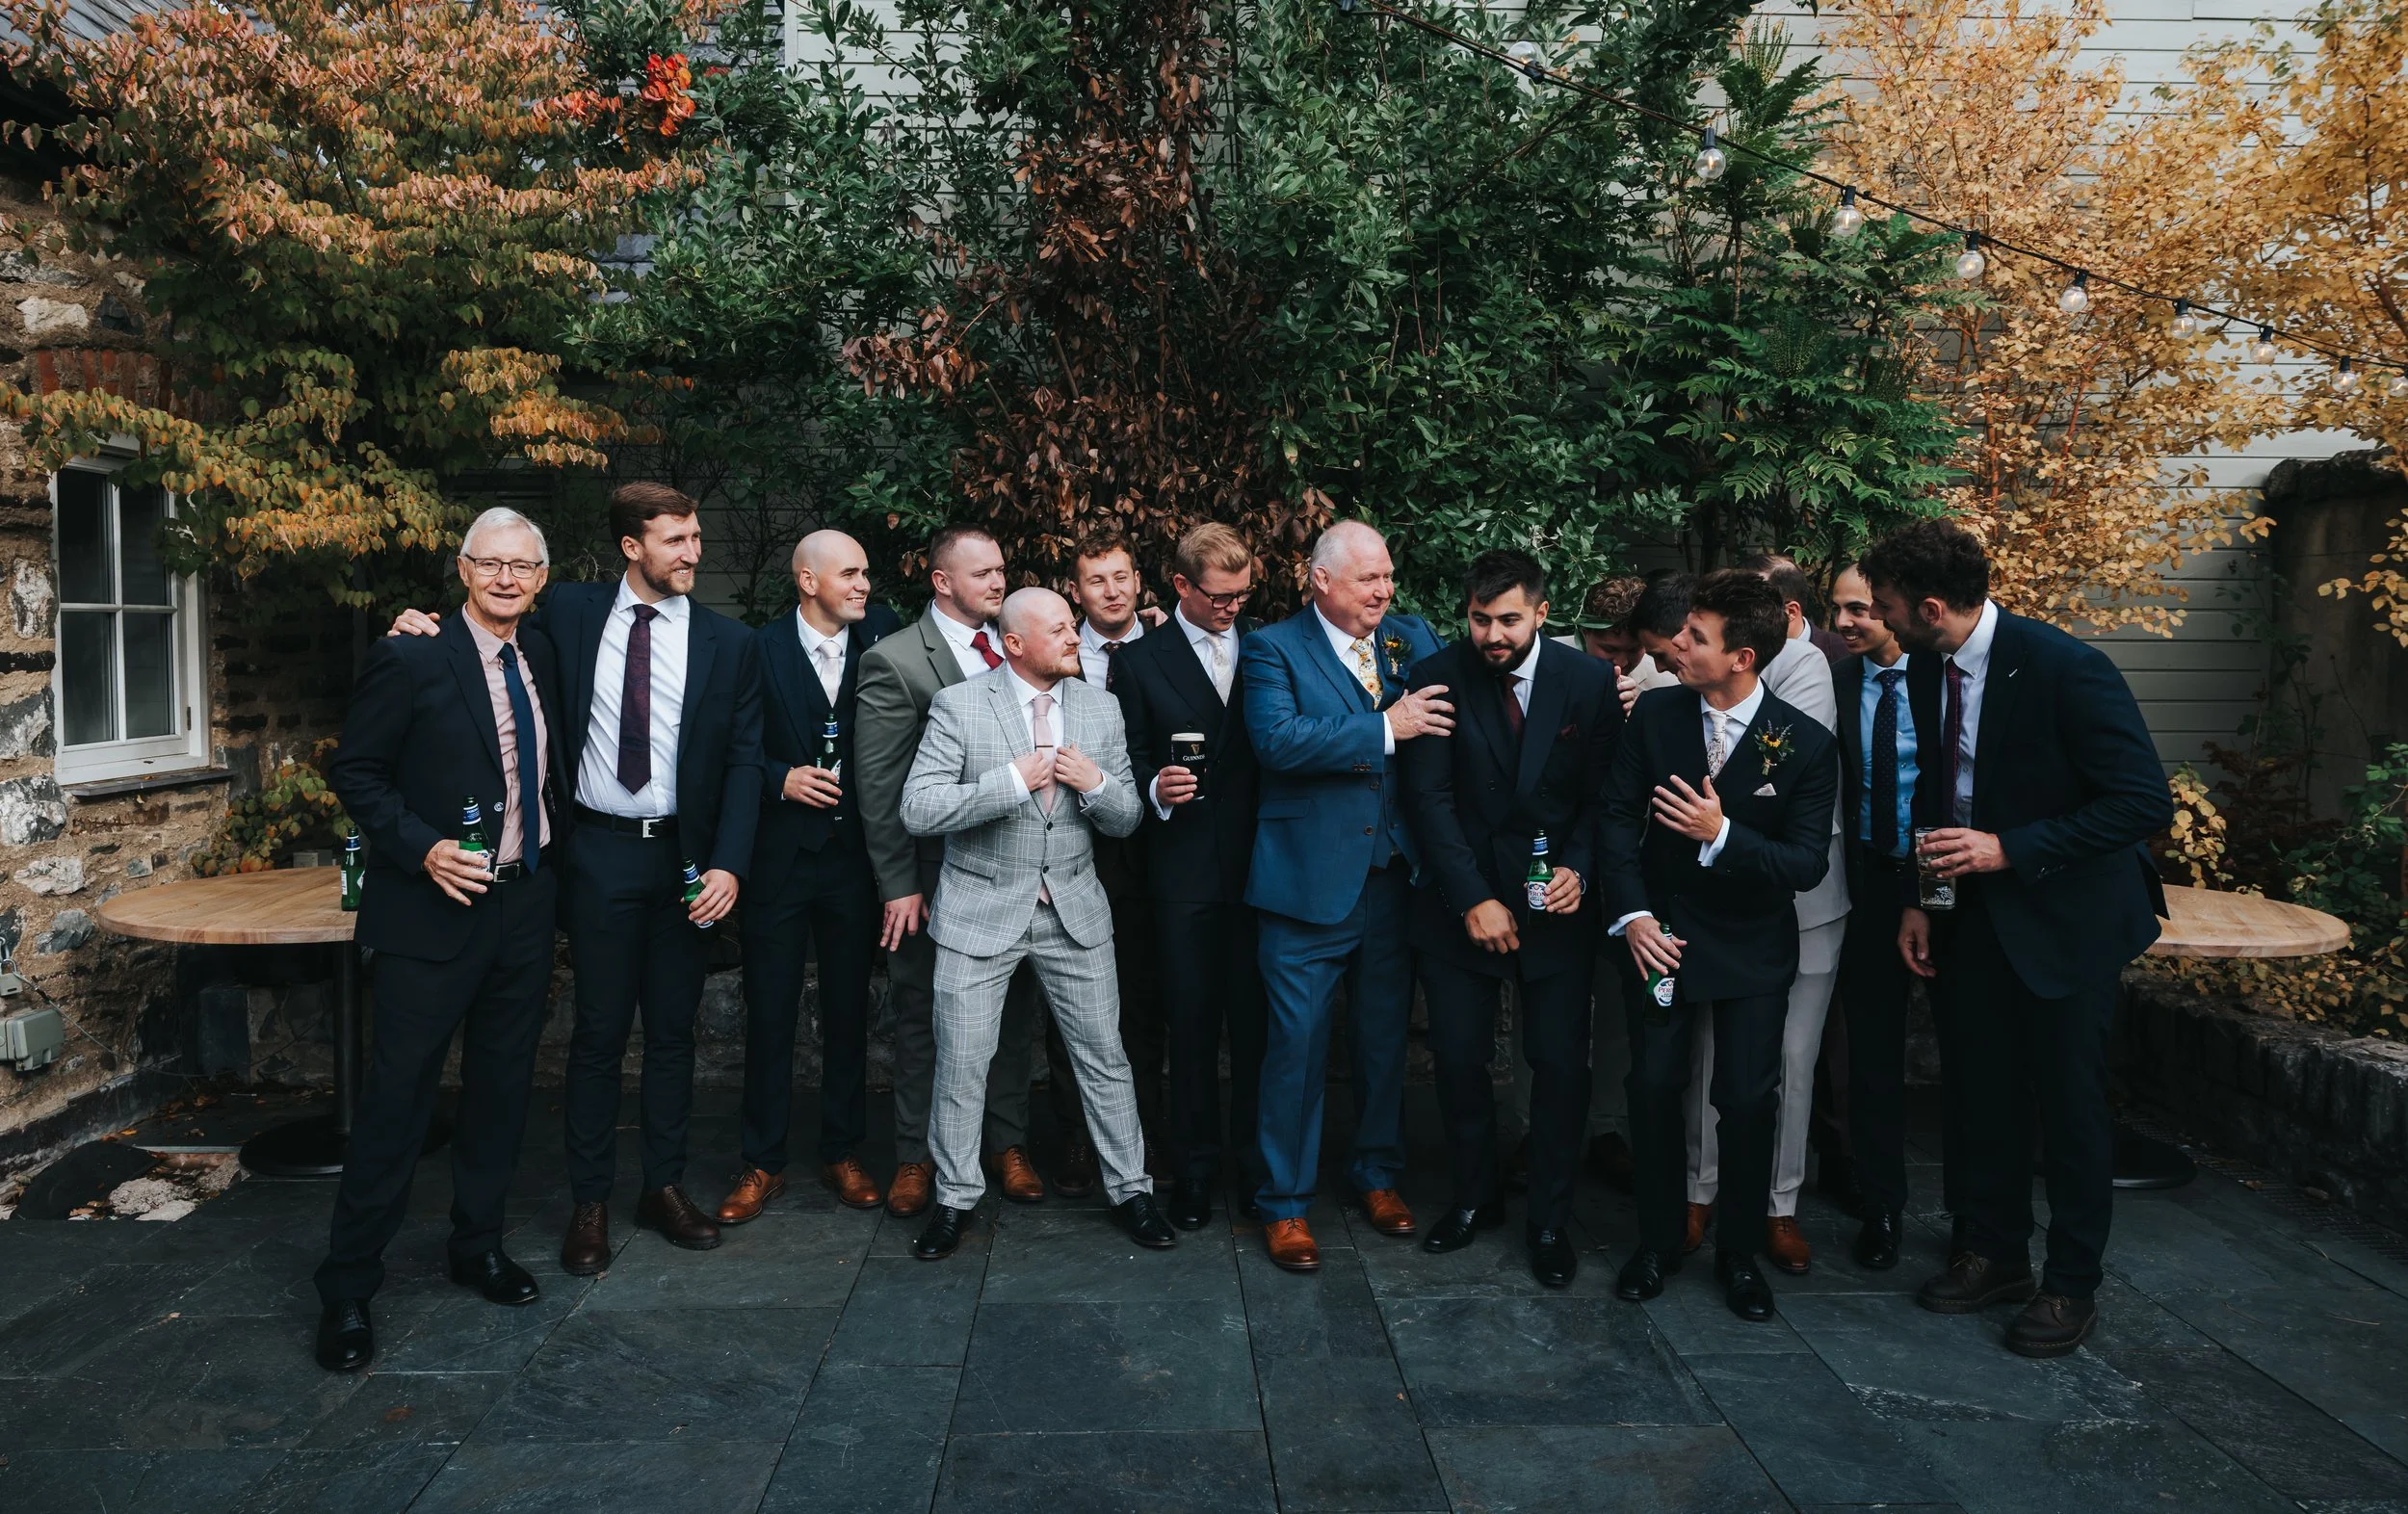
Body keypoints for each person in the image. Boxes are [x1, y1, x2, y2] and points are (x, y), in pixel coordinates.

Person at [387, 484, 766, 1269]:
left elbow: (743, 761)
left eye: (696, 537)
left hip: (688, 866)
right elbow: (484, 615)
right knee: (596, 1035)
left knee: (671, 1033)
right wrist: (411, 622)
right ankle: (588, 1202)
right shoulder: (571, 615)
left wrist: (729, 861)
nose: (693, 552)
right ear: (632, 546)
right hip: (596, 852)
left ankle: (661, 1186)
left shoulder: (732, 644)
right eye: (675, 540)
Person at [1864, 520, 2172, 1358]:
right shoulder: (1926, 665)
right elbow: (1935, 788)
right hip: (1968, 923)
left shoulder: (2069, 669)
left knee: (2069, 1112)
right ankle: (1994, 1252)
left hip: (2067, 924)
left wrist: (2011, 849)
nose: (1881, 622)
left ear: (1930, 607)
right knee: (1980, 1094)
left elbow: (2143, 804)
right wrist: (1922, 900)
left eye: (1888, 609)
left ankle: (2072, 1286)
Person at [315, 509, 567, 1372]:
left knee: (500, 1090)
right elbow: (355, 770)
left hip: (523, 905)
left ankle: (478, 1246)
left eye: (521, 566)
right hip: (431, 912)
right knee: (399, 1100)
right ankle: (348, 1287)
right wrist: (421, 847)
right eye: (489, 564)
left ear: (541, 577)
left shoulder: (543, 654)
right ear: (462, 570)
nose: (505, 578)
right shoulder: (411, 653)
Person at [899, 587, 1172, 1258]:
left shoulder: (1099, 708)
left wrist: (1099, 785)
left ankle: (1132, 1190)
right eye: (1059, 631)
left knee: (1105, 1060)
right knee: (963, 1064)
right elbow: (919, 808)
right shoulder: (960, 707)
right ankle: (955, 1199)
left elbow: (1128, 817)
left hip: (1075, 911)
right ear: (1016, 644)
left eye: (1071, 630)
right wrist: (1010, 783)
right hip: (979, 912)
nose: (1075, 639)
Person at [1602, 568, 1838, 1322]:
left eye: (1696, 637)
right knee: (1652, 1086)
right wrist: (1633, 916)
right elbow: (1614, 820)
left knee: (1744, 1099)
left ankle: (1738, 1252)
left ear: (1741, 657)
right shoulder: (1658, 718)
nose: (1678, 644)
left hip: (1751, 947)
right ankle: (1658, 1238)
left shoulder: (1805, 745)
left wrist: (1724, 835)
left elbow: (1805, 864)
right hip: (1660, 938)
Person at [1401, 550, 1619, 1286]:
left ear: (1542, 614)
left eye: (1508, 620)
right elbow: (1426, 801)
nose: (1492, 634)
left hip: (1557, 909)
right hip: (1460, 908)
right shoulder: (1433, 676)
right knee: (1460, 1060)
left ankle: (1551, 1220)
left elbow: (1603, 799)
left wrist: (1579, 869)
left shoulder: (1587, 681)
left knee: (1559, 1067)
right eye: (1479, 618)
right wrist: (1473, 898)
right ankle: (1473, 1200)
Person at [1243, 520, 1448, 1272]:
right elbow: (1278, 742)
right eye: (1368, 579)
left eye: (1388, 576)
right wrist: (1383, 727)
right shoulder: (1272, 648)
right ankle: (1286, 1203)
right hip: (1303, 884)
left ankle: (1377, 1173)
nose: (1384, 591)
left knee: (1383, 1039)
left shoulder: (1412, 635)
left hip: (1395, 880)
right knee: (1295, 1048)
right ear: (1320, 580)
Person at [855, 525, 1049, 1216]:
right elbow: (878, 789)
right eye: (983, 574)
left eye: (1001, 570)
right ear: (942, 581)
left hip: (1021, 870)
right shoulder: (898, 661)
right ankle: (917, 1156)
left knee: (1014, 1013)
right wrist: (899, 883)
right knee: (923, 1015)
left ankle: (1007, 1143)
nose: (998, 582)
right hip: (934, 878)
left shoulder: (1022, 646)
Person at [720, 530, 903, 1224]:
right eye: (849, 574)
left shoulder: (881, 637)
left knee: (850, 1011)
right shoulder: (755, 649)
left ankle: (842, 1149)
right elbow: (730, 743)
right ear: (806, 580)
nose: (862, 585)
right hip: (779, 861)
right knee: (768, 1012)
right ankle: (761, 1161)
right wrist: (779, 778)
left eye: (865, 573)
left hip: (855, 862)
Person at [1680, 555, 1850, 1273]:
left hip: (1805, 897)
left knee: (1790, 1059)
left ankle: (1778, 1205)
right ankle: (1698, 1188)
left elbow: (1771, 779)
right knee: (1709, 1058)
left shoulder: (1807, 667)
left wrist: (1720, 826)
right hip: (1717, 900)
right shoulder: (1693, 670)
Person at [1110, 523, 1266, 1230]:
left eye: (1241, 595)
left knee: (1260, 1027)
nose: (1232, 607)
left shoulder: (1268, 646)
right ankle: (1196, 1171)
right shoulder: (1141, 662)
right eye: (1218, 596)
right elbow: (1128, 753)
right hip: (1183, 872)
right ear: (1179, 587)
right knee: (1192, 1026)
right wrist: (1154, 789)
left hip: (1264, 867)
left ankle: (1260, 1170)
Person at [1042, 532, 1165, 1197]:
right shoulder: (1057, 655)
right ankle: (1076, 1141)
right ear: (1076, 591)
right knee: (1073, 1005)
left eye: (1121, 577)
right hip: (1072, 852)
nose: (1112, 591)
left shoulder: (1166, 646)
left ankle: (1143, 1138)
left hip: (1149, 855)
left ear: (1138, 579)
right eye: (1097, 581)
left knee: (1143, 1003)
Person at [1827, 561, 1940, 1270]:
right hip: (1866, 879)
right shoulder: (1834, 683)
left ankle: (1979, 1218)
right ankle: (1882, 1206)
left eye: (1859, 609)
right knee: (1870, 1054)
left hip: (1942, 879)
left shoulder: (1944, 679)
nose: (1843, 624)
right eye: (1836, 609)